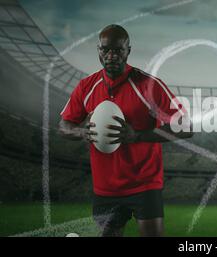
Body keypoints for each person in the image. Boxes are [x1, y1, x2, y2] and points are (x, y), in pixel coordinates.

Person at [58, 24, 193, 237]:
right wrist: (83, 133)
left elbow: (185, 126)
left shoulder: (149, 85)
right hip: (106, 186)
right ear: (98, 50)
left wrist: (137, 136)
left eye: (118, 50)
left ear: (128, 50)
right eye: (105, 49)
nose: (111, 55)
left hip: (144, 182)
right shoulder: (86, 86)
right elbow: (64, 126)